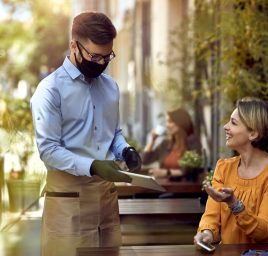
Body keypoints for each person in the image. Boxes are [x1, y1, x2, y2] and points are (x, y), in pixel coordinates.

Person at [30, 11, 142, 256]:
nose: (101, 63)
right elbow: (48, 150)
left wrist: (125, 149)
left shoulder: (111, 87)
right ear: (74, 45)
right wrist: (93, 165)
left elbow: (113, 133)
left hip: (106, 199)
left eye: (107, 57)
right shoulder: (50, 91)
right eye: (94, 56)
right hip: (67, 200)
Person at [194, 97, 268, 246]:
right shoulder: (223, 168)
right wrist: (206, 233)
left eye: (233, 123)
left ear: (253, 134)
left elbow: (262, 231)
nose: (225, 126)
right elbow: (211, 217)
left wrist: (234, 204)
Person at [141, 108, 202, 178]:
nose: (167, 125)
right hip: (164, 186)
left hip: (185, 187)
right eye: (167, 122)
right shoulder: (165, 143)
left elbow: (190, 170)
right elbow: (144, 160)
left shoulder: (193, 142)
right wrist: (152, 140)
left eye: (170, 122)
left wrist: (167, 172)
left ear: (180, 122)